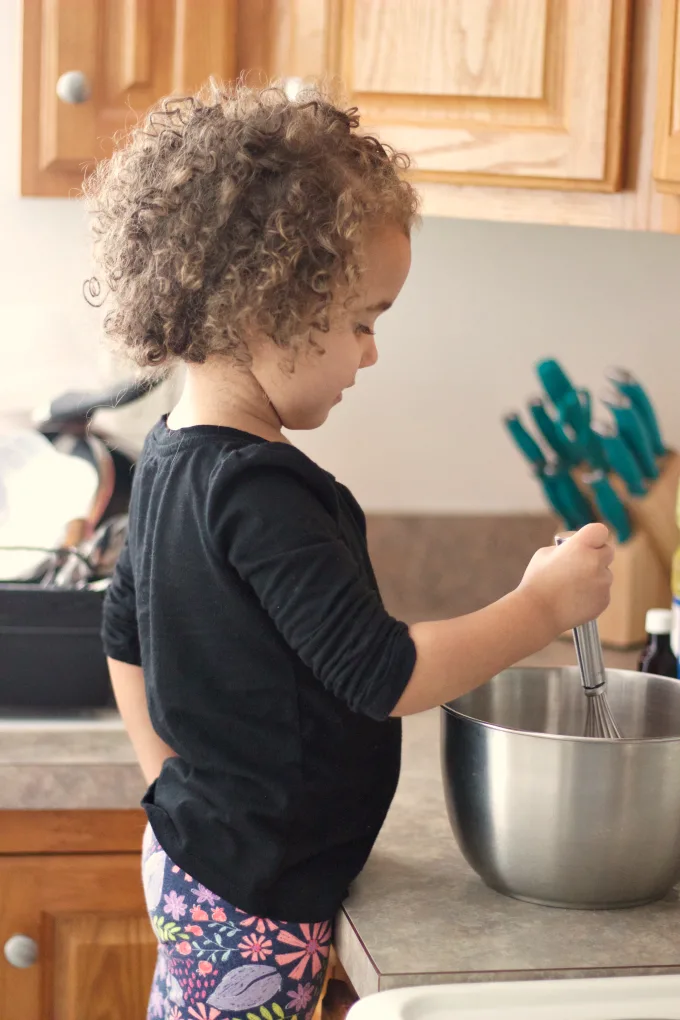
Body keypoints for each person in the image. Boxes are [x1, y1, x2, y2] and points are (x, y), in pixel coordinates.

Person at [84, 82, 613, 1020]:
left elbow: (120, 627)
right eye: (364, 321)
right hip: (254, 897)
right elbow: (385, 673)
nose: (371, 355)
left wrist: (162, 772)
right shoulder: (260, 491)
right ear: (266, 311)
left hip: (206, 858)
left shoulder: (169, 454)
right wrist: (541, 605)